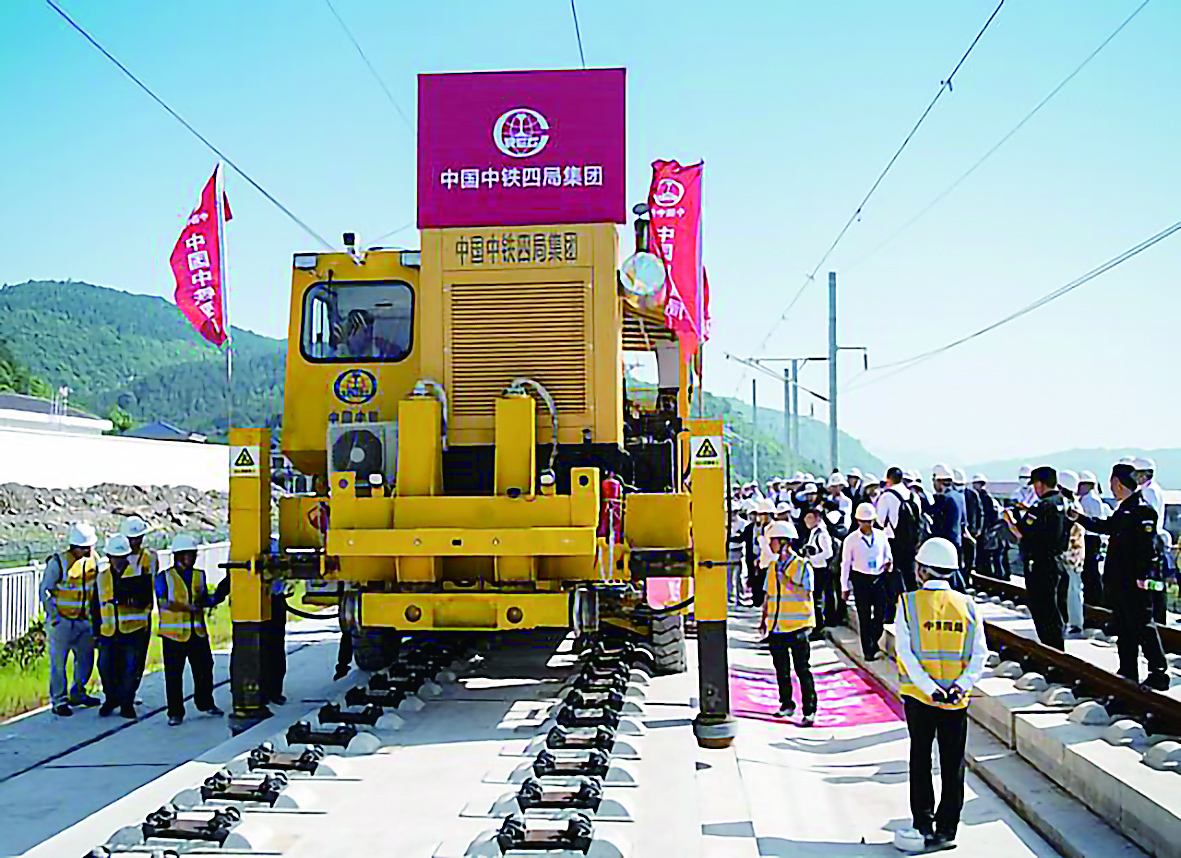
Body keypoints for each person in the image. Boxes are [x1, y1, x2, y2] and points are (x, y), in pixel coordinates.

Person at [896, 537, 989, 852]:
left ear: (922, 570)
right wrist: (960, 685)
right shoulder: (968, 605)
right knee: (952, 763)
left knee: (920, 758)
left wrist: (930, 688)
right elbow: (979, 653)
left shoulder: (908, 603)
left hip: (919, 698)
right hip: (956, 699)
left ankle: (923, 824)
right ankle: (947, 829)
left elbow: (905, 653)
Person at [1072, 464, 1169, 690]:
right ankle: (1128, 669)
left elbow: (1148, 549)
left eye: (1112, 482)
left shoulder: (1142, 510)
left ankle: (1158, 672)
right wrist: (1080, 519)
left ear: (1117, 483)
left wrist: (1143, 576)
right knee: (1124, 626)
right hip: (1120, 581)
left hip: (1135, 581)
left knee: (1143, 625)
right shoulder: (1124, 509)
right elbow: (1107, 526)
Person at [156, 534, 224, 725]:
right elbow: (162, 601)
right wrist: (187, 608)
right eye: (189, 554)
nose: (193, 558)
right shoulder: (163, 577)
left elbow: (202, 596)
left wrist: (215, 597)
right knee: (173, 674)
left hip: (197, 632)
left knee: (205, 668)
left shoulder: (199, 575)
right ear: (178, 555)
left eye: (194, 554)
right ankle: (175, 713)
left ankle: (205, 703)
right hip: (173, 635)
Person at [39, 523, 101, 716]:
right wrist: (54, 616)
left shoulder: (94, 560)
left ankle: (78, 693)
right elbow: (45, 590)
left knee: (86, 660)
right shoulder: (58, 562)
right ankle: (59, 701)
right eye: (85, 547)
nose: (89, 550)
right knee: (59, 664)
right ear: (74, 546)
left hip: (84, 620)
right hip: (62, 622)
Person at [760, 520, 817, 726]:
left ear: (784, 542)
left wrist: (786, 580)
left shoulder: (802, 566)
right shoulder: (772, 566)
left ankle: (809, 710)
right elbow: (768, 594)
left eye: (773, 541)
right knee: (781, 669)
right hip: (776, 626)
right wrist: (764, 618)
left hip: (798, 626)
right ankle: (786, 704)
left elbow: (808, 590)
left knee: (802, 669)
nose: (771, 545)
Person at [1004, 466, 1067, 650]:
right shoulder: (1062, 502)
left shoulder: (1040, 506)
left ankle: (1050, 648)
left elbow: (1021, 532)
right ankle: (1057, 647)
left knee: (1042, 608)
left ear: (1040, 484)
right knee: (1054, 608)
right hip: (1057, 560)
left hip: (1039, 563)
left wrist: (1009, 519)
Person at [94, 533, 152, 718]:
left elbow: (147, 601)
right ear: (109, 557)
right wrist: (96, 631)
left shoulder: (139, 575)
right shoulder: (102, 577)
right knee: (105, 666)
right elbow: (95, 605)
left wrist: (125, 597)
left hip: (133, 630)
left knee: (130, 669)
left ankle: (127, 703)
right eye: (114, 557)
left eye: (121, 557)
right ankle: (111, 698)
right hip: (108, 631)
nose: (118, 561)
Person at [841, 503, 892, 660]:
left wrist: (888, 563)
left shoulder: (881, 536)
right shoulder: (851, 540)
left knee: (880, 614)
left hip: (878, 577)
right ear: (858, 521)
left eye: (870, 521)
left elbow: (888, 554)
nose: (867, 525)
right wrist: (844, 586)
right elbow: (846, 563)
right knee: (864, 615)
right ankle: (868, 651)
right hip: (861, 578)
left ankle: (874, 639)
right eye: (864, 521)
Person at [119, 516, 157, 702]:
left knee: (138, 659)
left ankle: (130, 694)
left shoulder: (150, 557)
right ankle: (120, 693)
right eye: (131, 538)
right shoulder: (117, 556)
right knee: (121, 660)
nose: (135, 542)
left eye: (138, 538)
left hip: (142, 616)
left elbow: (152, 581)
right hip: (120, 617)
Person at [877, 466, 922, 612]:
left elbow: (880, 521)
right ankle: (915, 609)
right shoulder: (914, 496)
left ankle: (893, 611)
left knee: (892, 577)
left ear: (888, 479)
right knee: (910, 576)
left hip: (893, 541)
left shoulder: (887, 496)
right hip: (911, 541)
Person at [1056, 471, 1086, 637]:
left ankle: (1075, 623)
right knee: (1072, 588)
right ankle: (1072, 621)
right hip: (1075, 553)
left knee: (1072, 589)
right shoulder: (1075, 504)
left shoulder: (1069, 507)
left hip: (1070, 553)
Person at [1077, 471, 1111, 607]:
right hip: (1085, 537)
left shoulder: (1092, 500)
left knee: (1091, 570)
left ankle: (1095, 599)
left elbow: (1096, 521)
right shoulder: (1084, 499)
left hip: (1091, 538)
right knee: (1086, 571)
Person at [928, 465, 965, 591]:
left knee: (950, 573)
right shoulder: (958, 496)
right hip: (957, 539)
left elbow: (933, 513)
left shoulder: (945, 498)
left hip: (946, 540)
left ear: (940, 481)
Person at [801, 508, 834, 638]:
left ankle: (820, 627)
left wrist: (812, 559)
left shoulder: (822, 534)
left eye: (810, 518)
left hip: (820, 569)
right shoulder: (813, 533)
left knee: (817, 599)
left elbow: (828, 552)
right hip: (814, 568)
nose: (807, 521)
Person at [971, 475, 1005, 579]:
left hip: (987, 532)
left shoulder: (986, 498)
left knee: (988, 558)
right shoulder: (979, 497)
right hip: (985, 532)